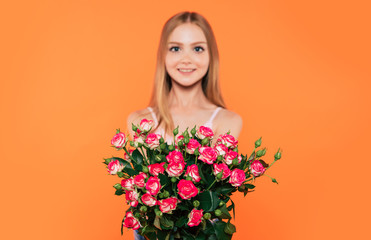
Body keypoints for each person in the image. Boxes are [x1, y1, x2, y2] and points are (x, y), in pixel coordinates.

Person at [126, 11, 242, 240]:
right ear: (163, 56)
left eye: (197, 48)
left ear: (211, 56)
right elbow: (141, 203)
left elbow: (211, 201)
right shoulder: (139, 121)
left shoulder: (228, 122)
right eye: (175, 48)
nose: (186, 59)